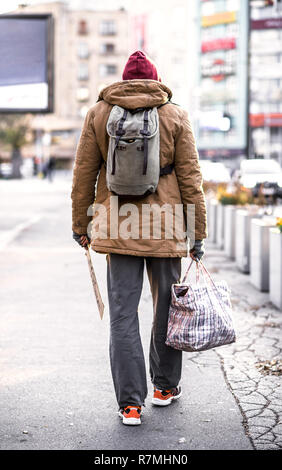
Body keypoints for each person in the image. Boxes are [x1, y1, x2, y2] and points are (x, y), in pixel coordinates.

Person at [72, 51, 207, 426]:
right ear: (154, 79)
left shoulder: (100, 113)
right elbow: (191, 179)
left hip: (119, 228)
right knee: (168, 308)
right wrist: (197, 234)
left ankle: (130, 404)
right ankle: (164, 386)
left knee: (122, 315)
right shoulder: (175, 113)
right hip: (166, 227)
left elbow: (84, 174)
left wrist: (80, 226)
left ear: (123, 80)